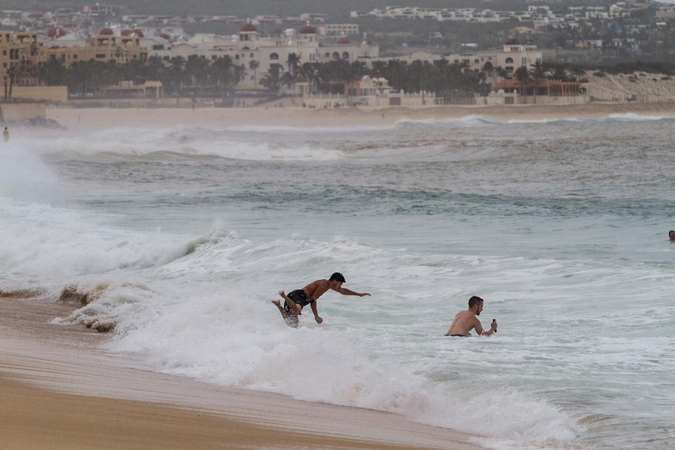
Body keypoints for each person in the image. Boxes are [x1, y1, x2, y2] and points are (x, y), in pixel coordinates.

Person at [271, 272, 370, 327]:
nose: (341, 286)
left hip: (297, 298)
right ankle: (283, 296)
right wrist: (316, 316)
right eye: (340, 283)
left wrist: (359, 294)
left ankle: (278, 305)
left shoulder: (329, 285)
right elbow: (313, 300)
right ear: (335, 281)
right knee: (297, 309)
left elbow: (343, 291)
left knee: (292, 323)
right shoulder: (324, 284)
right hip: (299, 296)